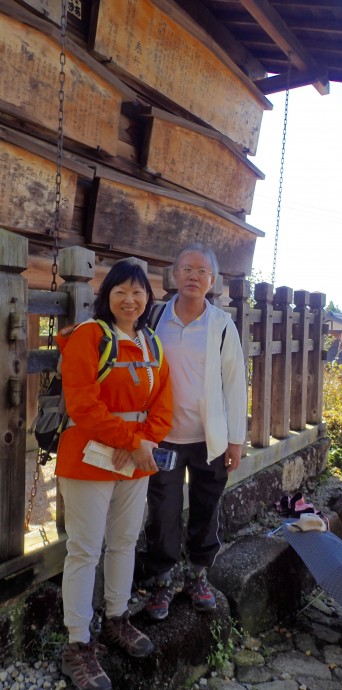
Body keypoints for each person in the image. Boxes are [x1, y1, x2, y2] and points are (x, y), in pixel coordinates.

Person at [56, 260, 173, 690]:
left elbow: (163, 403)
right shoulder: (90, 336)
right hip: (90, 457)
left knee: (124, 541)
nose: (131, 299)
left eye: (139, 292)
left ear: (148, 300)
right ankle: (77, 643)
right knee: (85, 550)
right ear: (107, 295)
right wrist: (131, 442)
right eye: (121, 291)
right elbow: (83, 405)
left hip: (134, 460)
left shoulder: (151, 345)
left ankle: (117, 617)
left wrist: (142, 444)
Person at [140, 243, 247, 621]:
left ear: (212, 281)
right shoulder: (154, 318)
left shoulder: (221, 325)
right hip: (164, 437)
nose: (193, 276)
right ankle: (162, 581)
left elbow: (235, 384)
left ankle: (198, 575)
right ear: (174, 275)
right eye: (187, 269)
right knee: (163, 510)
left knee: (206, 506)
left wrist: (236, 438)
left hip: (209, 439)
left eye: (202, 271)